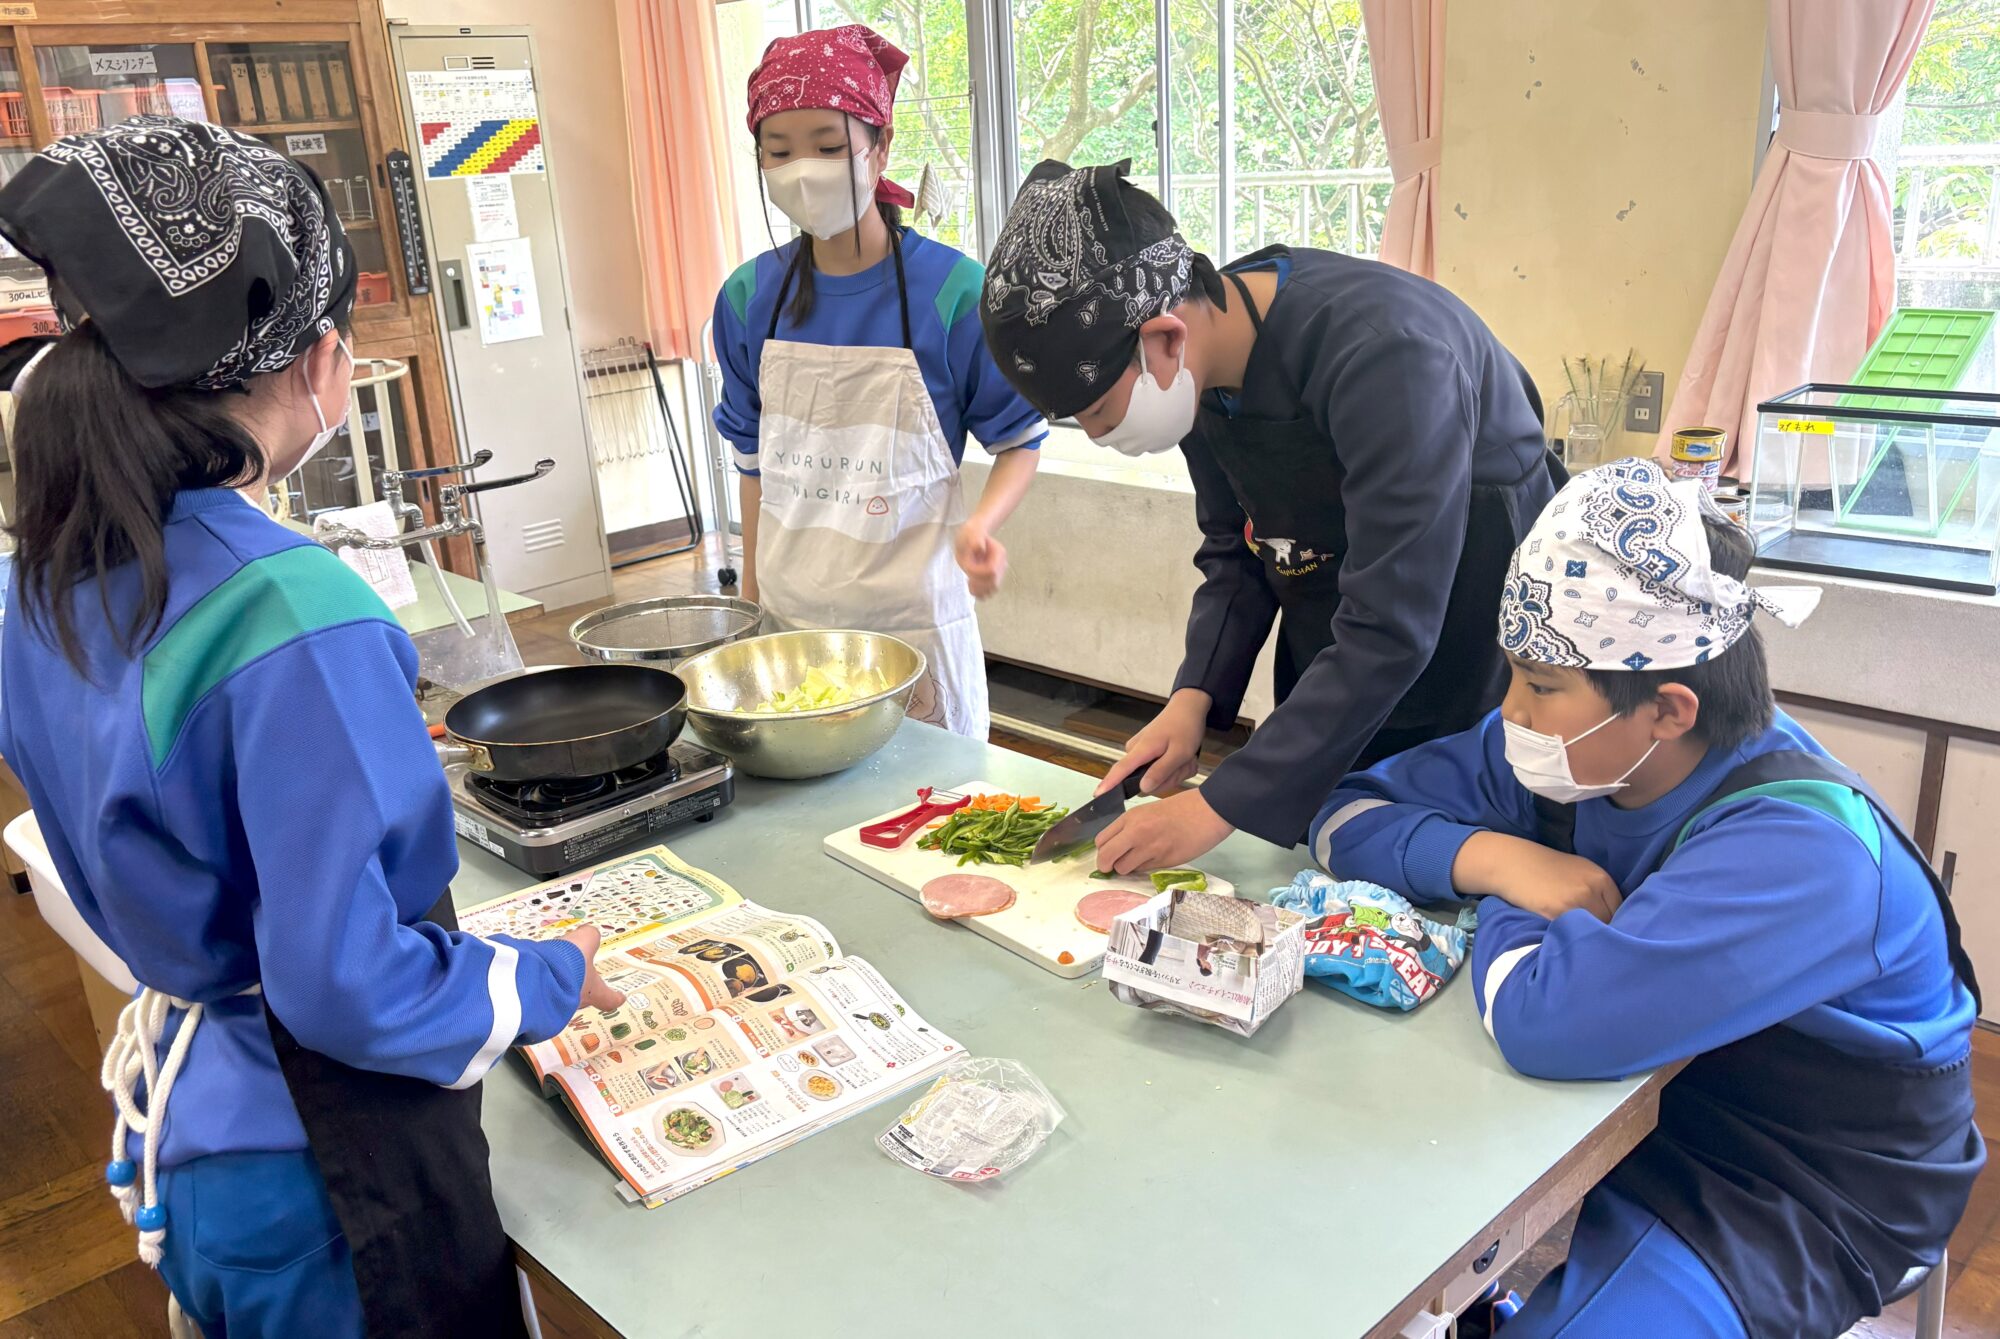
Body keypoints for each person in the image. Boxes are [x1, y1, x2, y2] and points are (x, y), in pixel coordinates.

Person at [0, 118, 621, 1339]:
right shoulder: (294, 608)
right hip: (327, 1170)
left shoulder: (38, 584)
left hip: (198, 1143)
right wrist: (550, 974)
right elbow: (347, 984)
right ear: (318, 356)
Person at [1310, 459, 1982, 1339]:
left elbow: (1544, 1020)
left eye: (1539, 684)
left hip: (1799, 1178)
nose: (1508, 712)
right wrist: (1500, 857)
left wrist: (1519, 889)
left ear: (1668, 708)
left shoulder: (1801, 848)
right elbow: (1342, 817)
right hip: (1651, 1092)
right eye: (1512, 673)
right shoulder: (1582, 752)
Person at [979, 160, 1563, 872]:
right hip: (1339, 631)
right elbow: (1238, 548)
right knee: (1332, 834)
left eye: (1098, 410)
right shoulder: (1202, 369)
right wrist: (1194, 697)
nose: (1099, 435)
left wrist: (1220, 803)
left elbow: (1393, 621)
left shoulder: (1388, 354)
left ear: (1165, 338)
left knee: (1447, 850)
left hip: (1459, 628)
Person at [714, 25, 1046, 739]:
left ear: (881, 146)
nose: (804, 170)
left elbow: (1019, 438)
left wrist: (981, 526)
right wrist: (752, 601)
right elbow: (753, 466)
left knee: (932, 804)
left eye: (828, 147)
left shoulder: (954, 291)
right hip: (791, 630)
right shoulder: (747, 298)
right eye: (780, 151)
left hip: (913, 629)